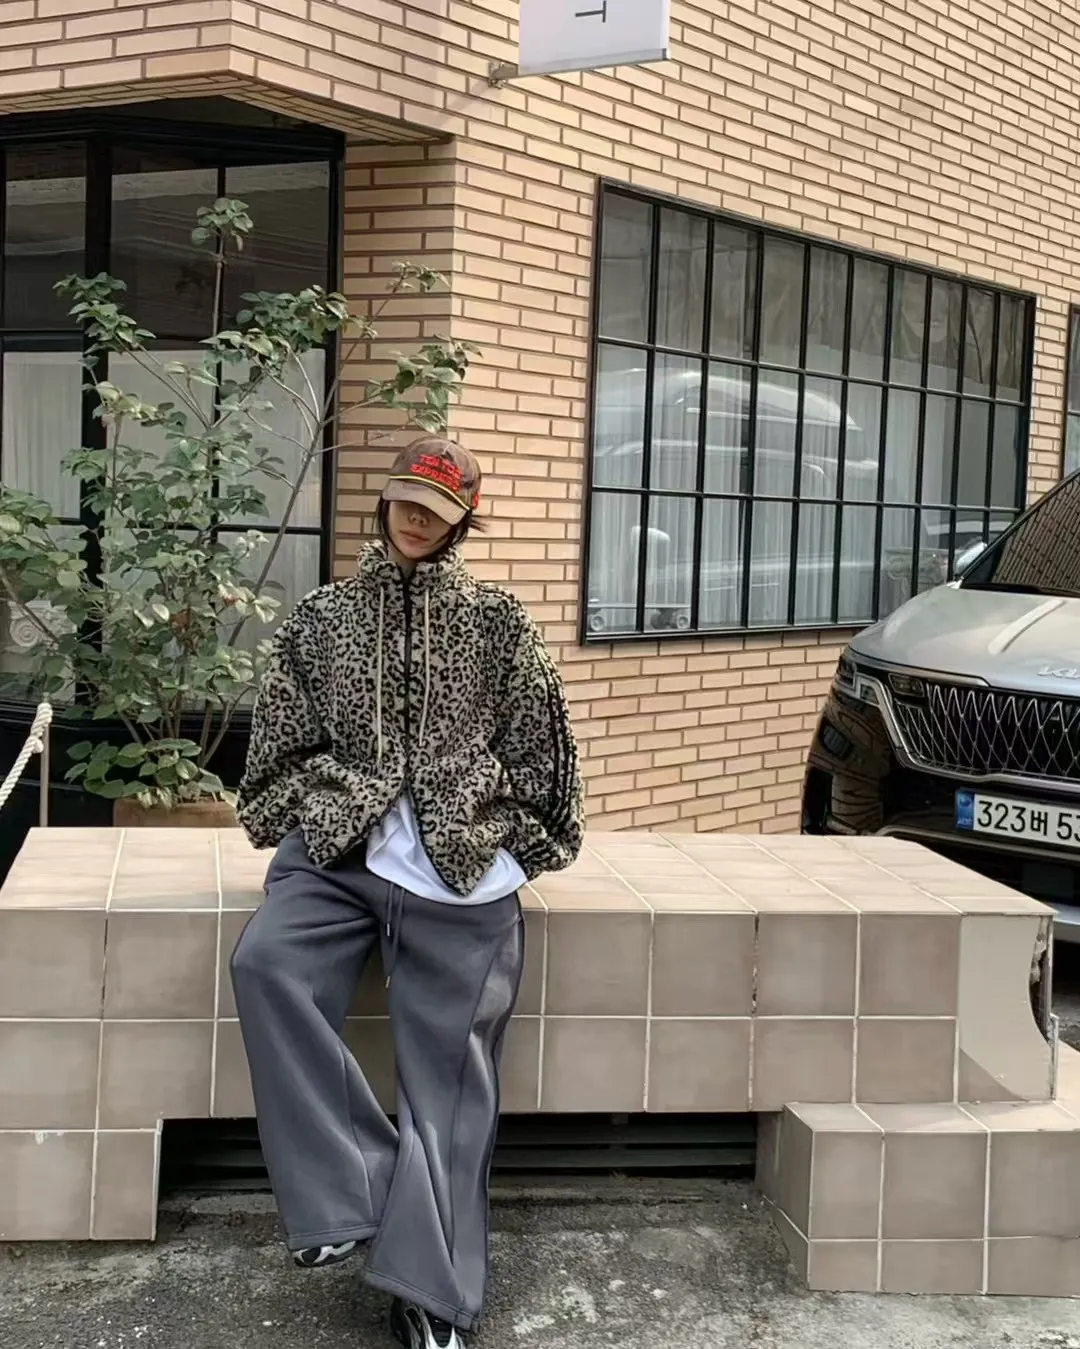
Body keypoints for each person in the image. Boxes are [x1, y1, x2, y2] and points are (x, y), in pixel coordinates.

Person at [230, 437, 585, 1349]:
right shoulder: (323, 618)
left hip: (461, 873)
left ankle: (431, 1297)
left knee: (450, 1076)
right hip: (336, 859)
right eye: (405, 500)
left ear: (464, 523)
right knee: (266, 965)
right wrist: (331, 803)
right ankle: (365, 1195)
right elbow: (275, 757)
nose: (416, 518)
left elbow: (549, 768)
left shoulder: (499, 625)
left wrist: (495, 836)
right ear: (383, 501)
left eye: (437, 509)